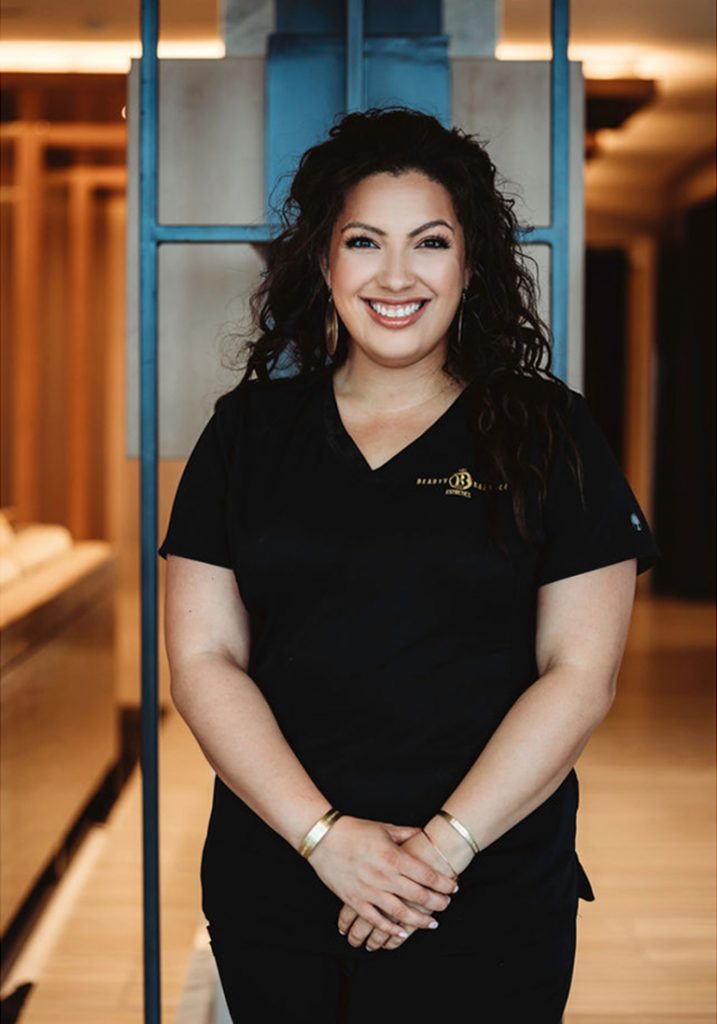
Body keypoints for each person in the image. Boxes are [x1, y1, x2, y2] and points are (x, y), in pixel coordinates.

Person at [158, 107, 661, 1022]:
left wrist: (435, 855)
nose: (396, 276)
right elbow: (201, 662)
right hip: (279, 871)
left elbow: (579, 675)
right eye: (363, 242)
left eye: (430, 242)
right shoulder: (246, 434)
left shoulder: (550, 435)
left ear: (471, 266)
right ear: (322, 262)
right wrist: (326, 841)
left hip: (485, 882)